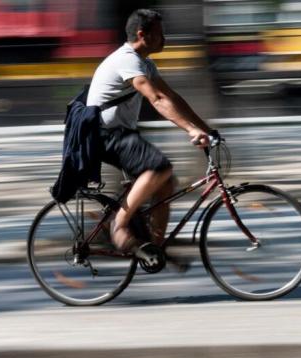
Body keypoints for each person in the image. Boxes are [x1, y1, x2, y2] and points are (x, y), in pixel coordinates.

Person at [86, 9, 214, 254]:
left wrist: (206, 129)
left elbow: (171, 96)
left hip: (121, 134)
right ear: (142, 34)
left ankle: (154, 249)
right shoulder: (127, 60)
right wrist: (190, 130)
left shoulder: (145, 62)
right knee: (160, 167)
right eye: (160, 34)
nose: (165, 38)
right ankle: (119, 225)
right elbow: (155, 99)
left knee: (166, 183)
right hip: (104, 135)